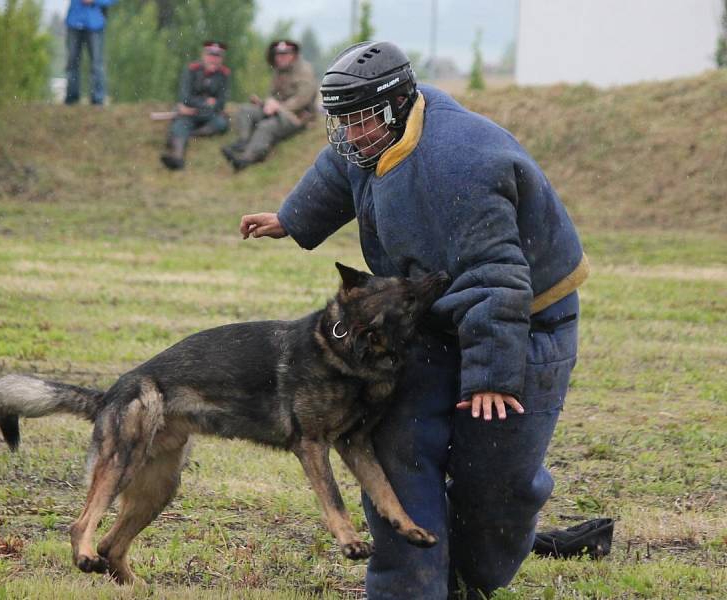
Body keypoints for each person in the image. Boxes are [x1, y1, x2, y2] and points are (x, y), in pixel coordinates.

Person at [239, 41, 588, 599]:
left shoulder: (463, 164)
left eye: (361, 122)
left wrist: (492, 375)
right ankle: (409, 587)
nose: (351, 135)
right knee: (398, 450)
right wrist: (291, 218)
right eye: (342, 122)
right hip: (428, 318)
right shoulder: (370, 137)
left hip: (523, 321)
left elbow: (496, 276)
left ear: (401, 103)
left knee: (495, 482)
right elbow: (338, 171)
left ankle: (472, 579)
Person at [221, 39, 318, 171]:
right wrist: (265, 103)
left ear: (294, 55)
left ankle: (247, 158)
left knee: (266, 127)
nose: (281, 57)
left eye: (285, 53)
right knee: (245, 111)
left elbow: (303, 99)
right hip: (278, 111)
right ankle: (243, 141)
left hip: (298, 116)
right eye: (278, 54)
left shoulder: (304, 70)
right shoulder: (279, 70)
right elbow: (274, 95)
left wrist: (279, 107)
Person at [160, 41, 232, 171]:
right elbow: (185, 98)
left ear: (221, 59)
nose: (213, 59)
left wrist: (202, 105)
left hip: (208, 114)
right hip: (189, 113)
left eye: (217, 56)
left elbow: (221, 102)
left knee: (221, 124)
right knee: (180, 124)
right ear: (204, 56)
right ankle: (177, 158)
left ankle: (192, 134)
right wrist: (206, 102)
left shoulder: (224, 74)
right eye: (211, 55)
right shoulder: (192, 70)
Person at [64, 0, 116, 106]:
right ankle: (71, 98)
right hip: (74, 22)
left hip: (95, 24)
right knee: (72, 62)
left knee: (97, 64)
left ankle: (97, 99)